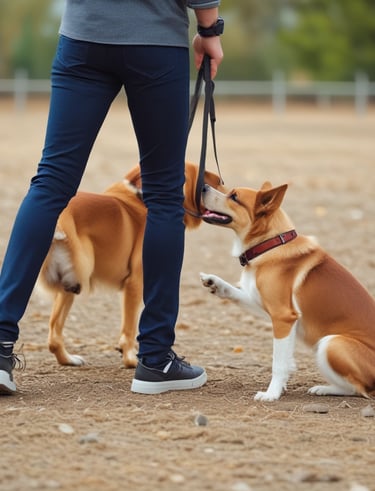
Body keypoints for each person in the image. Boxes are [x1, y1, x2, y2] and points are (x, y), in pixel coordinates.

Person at [0, 1, 224, 395]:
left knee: (50, 183)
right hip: (155, 41)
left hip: (83, 35)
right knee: (164, 196)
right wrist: (209, 29)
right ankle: (155, 359)